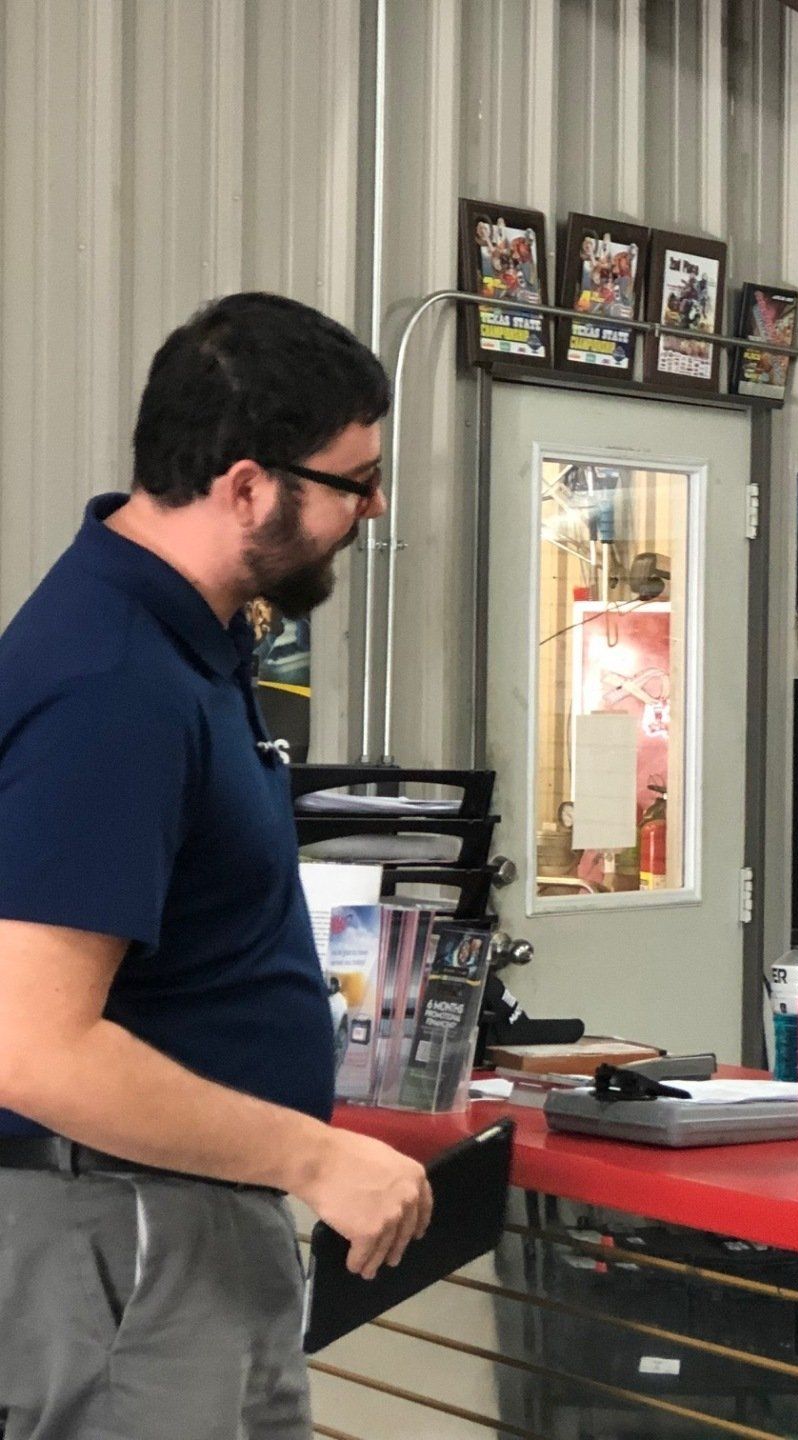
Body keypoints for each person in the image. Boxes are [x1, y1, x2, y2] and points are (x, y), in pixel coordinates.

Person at [0, 293, 435, 1439]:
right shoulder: (114, 685)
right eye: (353, 480)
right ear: (246, 486)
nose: (373, 507)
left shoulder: (188, 642)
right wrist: (315, 1156)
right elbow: (31, 1047)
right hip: (123, 1236)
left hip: (176, 1229)